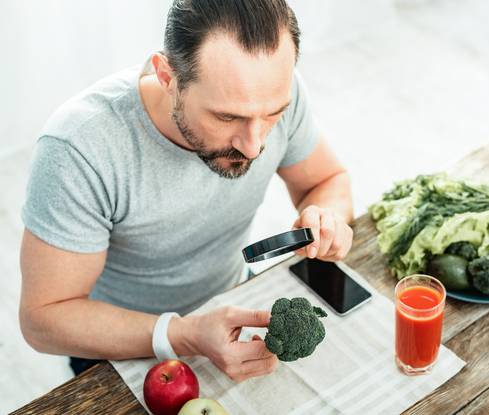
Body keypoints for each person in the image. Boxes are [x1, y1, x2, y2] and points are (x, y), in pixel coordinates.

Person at [19, 0, 353, 382]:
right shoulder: (80, 147)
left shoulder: (271, 94)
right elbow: (42, 319)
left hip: (233, 301)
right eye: (227, 116)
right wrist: (184, 334)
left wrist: (327, 215)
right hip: (119, 345)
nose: (254, 145)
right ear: (167, 75)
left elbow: (327, 181)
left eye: (273, 113)